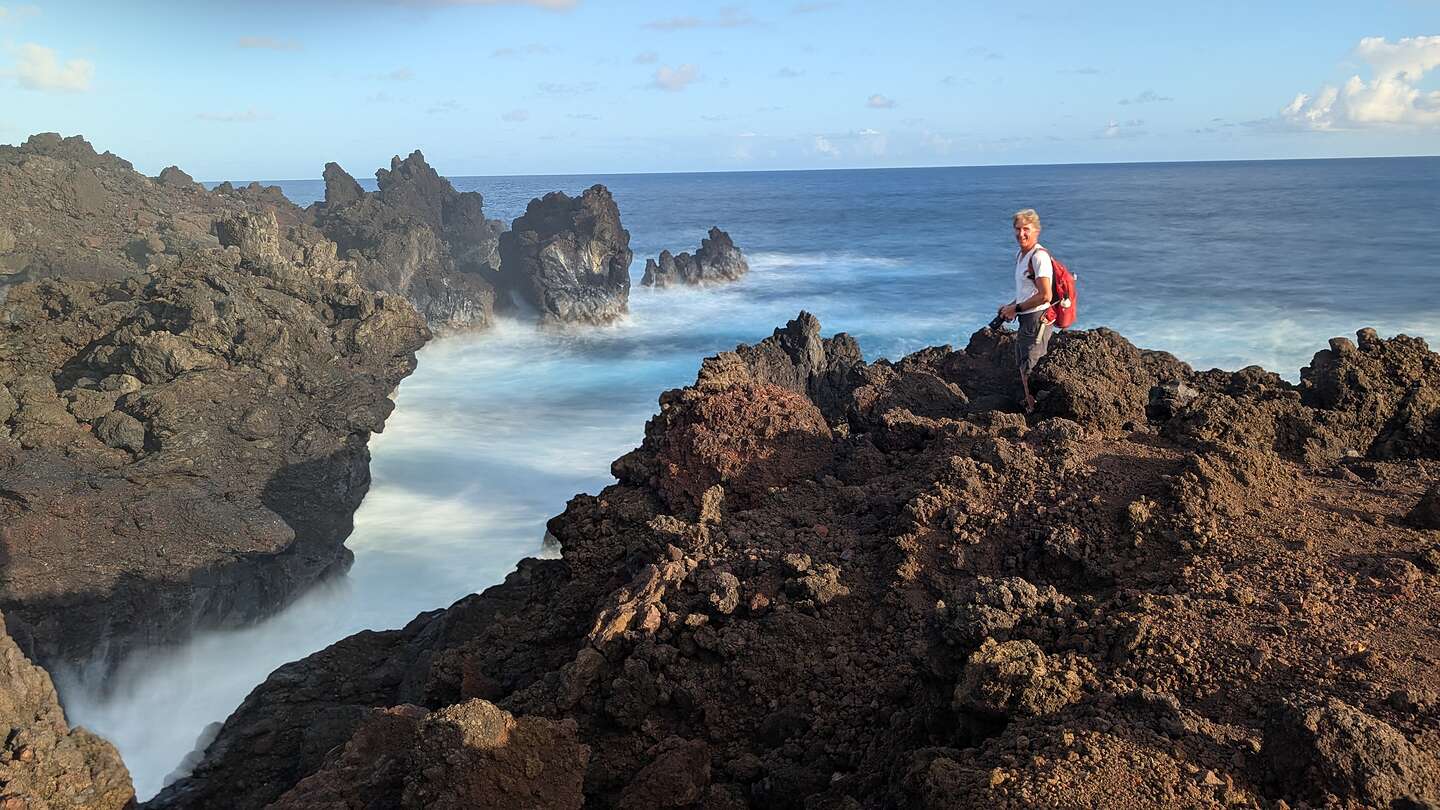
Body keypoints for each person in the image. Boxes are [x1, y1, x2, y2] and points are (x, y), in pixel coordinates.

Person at [996, 208, 1053, 414]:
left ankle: (1038, 412)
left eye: (1026, 229)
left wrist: (1016, 308)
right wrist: (1010, 307)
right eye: (1018, 229)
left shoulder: (1039, 257)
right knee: (1023, 363)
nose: (1021, 234)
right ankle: (1030, 406)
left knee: (1032, 365)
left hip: (1037, 319)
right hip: (1025, 318)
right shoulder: (1021, 255)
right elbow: (1027, 291)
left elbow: (1045, 295)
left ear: (1036, 230)